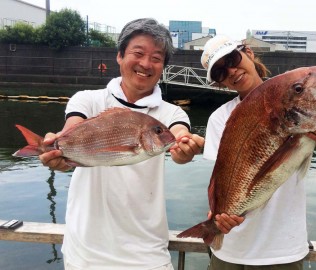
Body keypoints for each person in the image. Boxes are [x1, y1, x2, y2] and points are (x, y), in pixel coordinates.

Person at [38, 18, 206, 270]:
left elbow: (178, 137)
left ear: (163, 66)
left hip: (148, 255)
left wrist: (186, 147)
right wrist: (58, 151)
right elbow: (72, 129)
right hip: (86, 253)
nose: (146, 64)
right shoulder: (86, 100)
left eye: (156, 58)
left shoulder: (172, 113)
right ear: (119, 55)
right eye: (138, 53)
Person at [200, 35, 316, 270]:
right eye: (220, 72)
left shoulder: (291, 103)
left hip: (282, 250)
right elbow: (223, 178)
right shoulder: (219, 118)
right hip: (230, 249)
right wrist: (218, 216)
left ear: (249, 53)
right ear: (219, 82)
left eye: (233, 59)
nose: (231, 71)